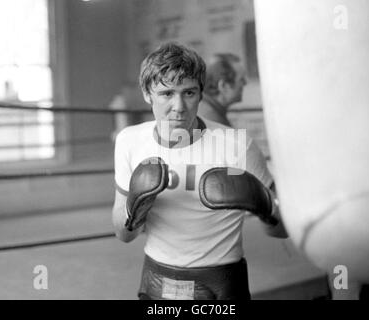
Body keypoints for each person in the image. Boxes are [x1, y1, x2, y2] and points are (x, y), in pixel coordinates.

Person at [112, 42, 286, 300]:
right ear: (148, 94)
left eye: (189, 93)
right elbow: (123, 235)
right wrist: (133, 209)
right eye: (167, 93)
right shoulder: (130, 141)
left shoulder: (237, 145)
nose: (179, 106)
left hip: (222, 280)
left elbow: (282, 230)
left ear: (202, 93)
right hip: (156, 276)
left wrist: (267, 208)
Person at [197, 53, 247, 127]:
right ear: (223, 85)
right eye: (241, 80)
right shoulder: (210, 120)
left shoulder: (205, 109)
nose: (245, 83)